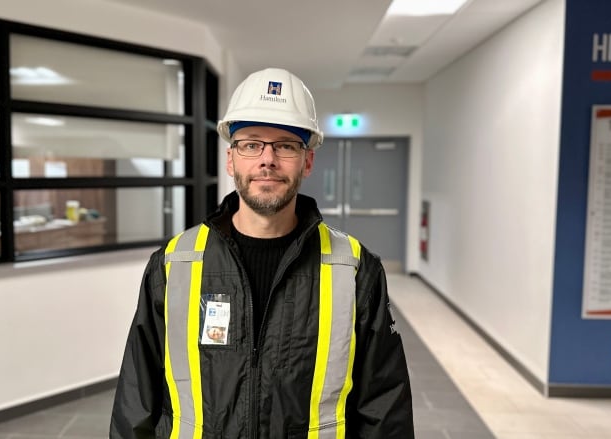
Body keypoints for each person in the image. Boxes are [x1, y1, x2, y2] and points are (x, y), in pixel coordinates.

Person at [110, 67, 414, 438]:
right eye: (251, 144)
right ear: (231, 159)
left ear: (307, 161)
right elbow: (136, 399)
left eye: (285, 145)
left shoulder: (354, 269)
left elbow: (384, 406)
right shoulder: (175, 263)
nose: (267, 159)